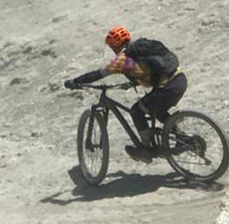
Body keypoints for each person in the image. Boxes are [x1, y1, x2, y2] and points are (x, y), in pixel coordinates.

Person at [64, 26, 187, 160]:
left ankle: (145, 149)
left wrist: (76, 81)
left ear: (114, 46)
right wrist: (132, 82)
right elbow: (149, 69)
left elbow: (99, 74)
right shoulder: (141, 49)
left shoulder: (123, 60)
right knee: (155, 108)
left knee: (137, 111)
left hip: (167, 89)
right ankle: (182, 136)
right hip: (179, 79)